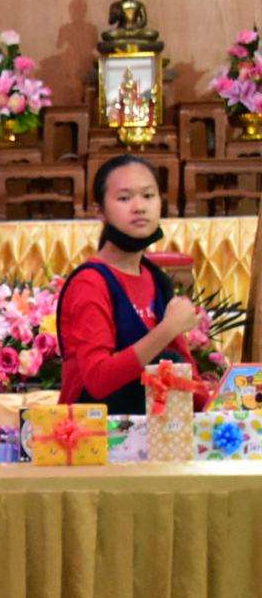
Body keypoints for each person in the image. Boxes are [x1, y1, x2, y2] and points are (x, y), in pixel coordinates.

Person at [57, 154, 198, 415]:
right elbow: (98, 380)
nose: (139, 207)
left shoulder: (157, 279)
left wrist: (219, 407)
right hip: (96, 431)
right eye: (124, 198)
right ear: (99, 211)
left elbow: (183, 371)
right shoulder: (90, 283)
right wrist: (167, 329)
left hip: (154, 429)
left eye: (148, 195)